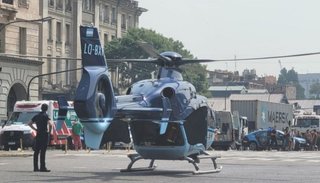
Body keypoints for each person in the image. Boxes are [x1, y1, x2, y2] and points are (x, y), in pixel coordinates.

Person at [28, 104, 53, 172]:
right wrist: (49, 132)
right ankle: (43, 167)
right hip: (44, 134)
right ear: (46, 109)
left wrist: (35, 129)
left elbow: (29, 123)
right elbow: (51, 124)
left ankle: (35, 167)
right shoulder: (46, 116)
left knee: (36, 151)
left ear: (41, 108)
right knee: (43, 151)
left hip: (38, 134)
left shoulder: (36, 116)